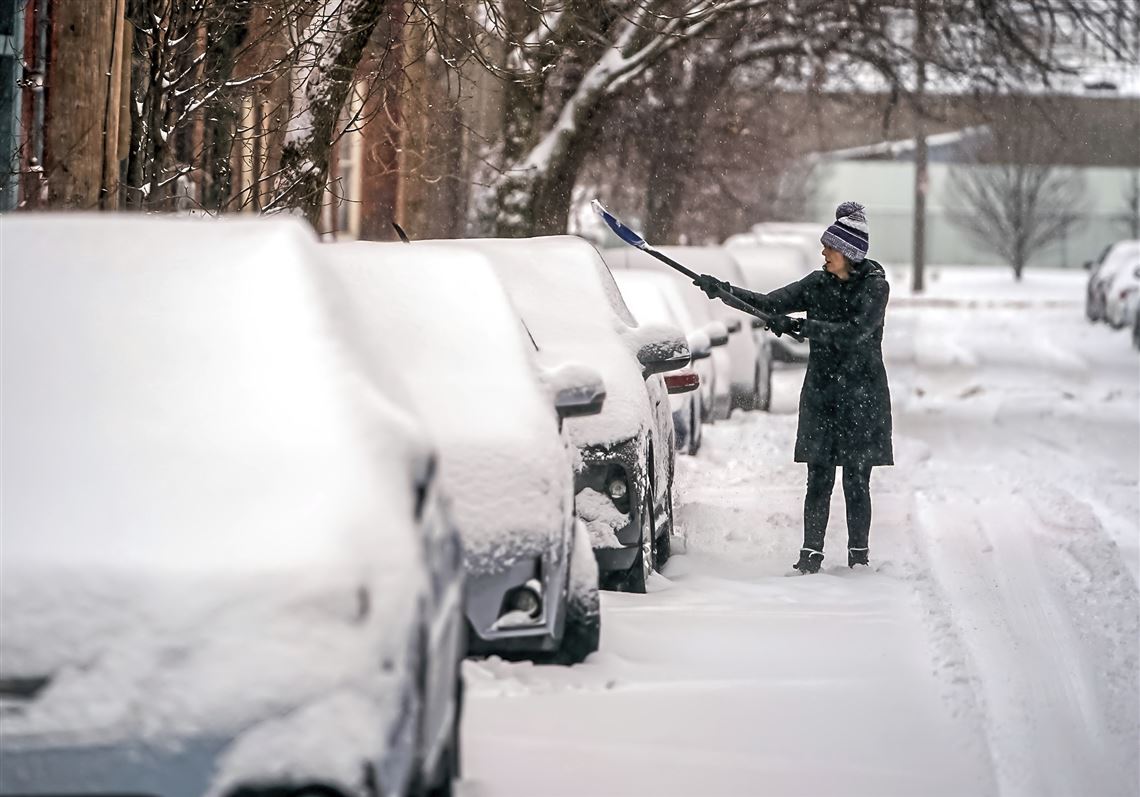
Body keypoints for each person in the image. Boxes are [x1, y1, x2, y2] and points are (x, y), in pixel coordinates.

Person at [694, 202, 893, 574]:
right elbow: (771, 303)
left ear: (849, 252)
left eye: (830, 248)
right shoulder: (817, 284)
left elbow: (855, 334)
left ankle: (859, 558)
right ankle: (810, 555)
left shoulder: (875, 288)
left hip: (861, 395)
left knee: (855, 479)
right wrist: (723, 291)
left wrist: (804, 328)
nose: (823, 253)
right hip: (823, 393)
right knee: (818, 476)